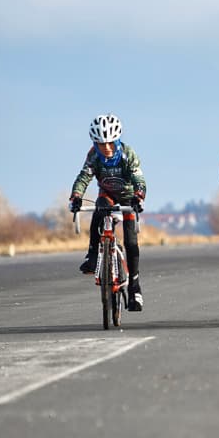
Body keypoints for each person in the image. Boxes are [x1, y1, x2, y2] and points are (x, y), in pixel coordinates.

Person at [69, 113, 148, 311]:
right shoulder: (93, 155)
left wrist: (139, 196)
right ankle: (93, 254)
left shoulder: (128, 154)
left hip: (128, 197)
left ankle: (135, 288)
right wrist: (76, 196)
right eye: (101, 144)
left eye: (110, 143)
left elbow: (139, 179)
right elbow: (84, 177)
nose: (106, 148)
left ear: (117, 140)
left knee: (131, 242)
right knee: (98, 210)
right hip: (108, 195)